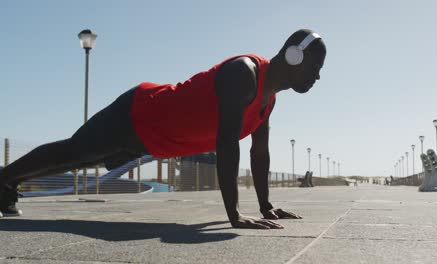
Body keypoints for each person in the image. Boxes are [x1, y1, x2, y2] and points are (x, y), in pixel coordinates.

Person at [0, 29, 326, 229]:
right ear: (294, 56)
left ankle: (7, 183)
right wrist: (234, 214)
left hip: (154, 141)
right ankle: (5, 180)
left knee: (81, 159)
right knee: (73, 153)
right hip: (139, 113)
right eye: (315, 66)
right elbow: (227, 142)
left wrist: (266, 207)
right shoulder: (246, 73)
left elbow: (260, 152)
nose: (317, 76)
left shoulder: (267, 100)